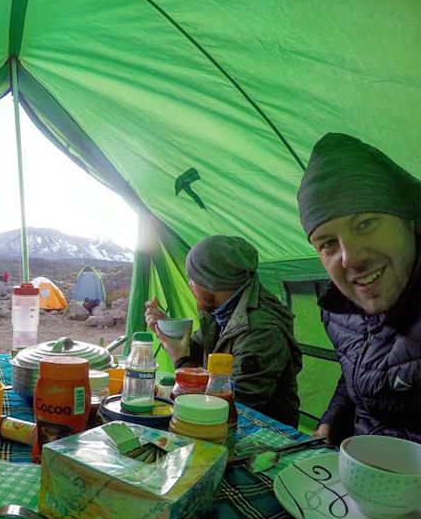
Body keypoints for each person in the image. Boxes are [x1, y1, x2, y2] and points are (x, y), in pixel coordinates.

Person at [297, 132, 421, 445]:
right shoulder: (340, 313)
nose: (350, 258)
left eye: (365, 224)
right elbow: (358, 369)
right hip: (364, 475)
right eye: (328, 243)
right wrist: (331, 422)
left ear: (408, 219)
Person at [145, 235, 302, 426]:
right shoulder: (221, 313)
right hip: (225, 423)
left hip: (260, 433)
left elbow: (232, 406)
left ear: (212, 282)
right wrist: (167, 329)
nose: (190, 285)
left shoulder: (260, 329)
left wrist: (181, 361)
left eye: (193, 279)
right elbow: (194, 349)